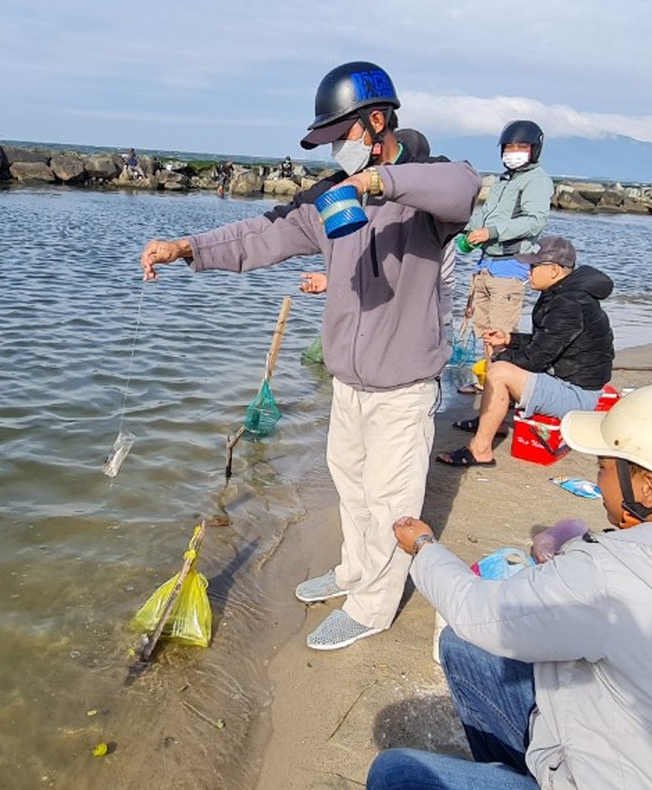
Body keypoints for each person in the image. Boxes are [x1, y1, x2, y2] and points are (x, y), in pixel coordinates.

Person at [141, 61, 480, 650]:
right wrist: (186, 248)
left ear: (376, 122)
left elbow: (465, 187)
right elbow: (262, 235)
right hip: (348, 383)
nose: (334, 153)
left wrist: (377, 183)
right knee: (351, 487)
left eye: (339, 137)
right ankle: (353, 572)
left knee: (391, 503)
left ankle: (372, 608)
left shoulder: (424, 198)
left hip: (402, 390)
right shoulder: (328, 201)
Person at [374, 384, 652, 789]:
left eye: (603, 468)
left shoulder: (609, 573)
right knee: (461, 648)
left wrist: (425, 547)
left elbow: (477, 610)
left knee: (397, 773)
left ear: (648, 488)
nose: (599, 480)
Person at [437, 236, 612, 468]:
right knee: (500, 351)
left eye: (533, 266)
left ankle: (481, 450)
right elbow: (551, 341)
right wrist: (509, 339)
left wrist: (500, 358)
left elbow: (537, 359)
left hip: (579, 395)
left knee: (499, 371)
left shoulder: (569, 303)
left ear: (553, 270)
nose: (527, 271)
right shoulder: (564, 293)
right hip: (568, 379)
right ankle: (492, 422)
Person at [458, 120, 553, 393]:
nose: (514, 151)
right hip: (486, 264)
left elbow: (534, 221)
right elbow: (484, 216)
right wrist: (463, 227)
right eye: (509, 146)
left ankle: (500, 392)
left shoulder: (537, 180)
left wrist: (492, 232)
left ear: (534, 149)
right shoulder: (503, 181)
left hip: (510, 265)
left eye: (521, 146)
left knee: (500, 334)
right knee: (484, 332)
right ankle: (488, 383)